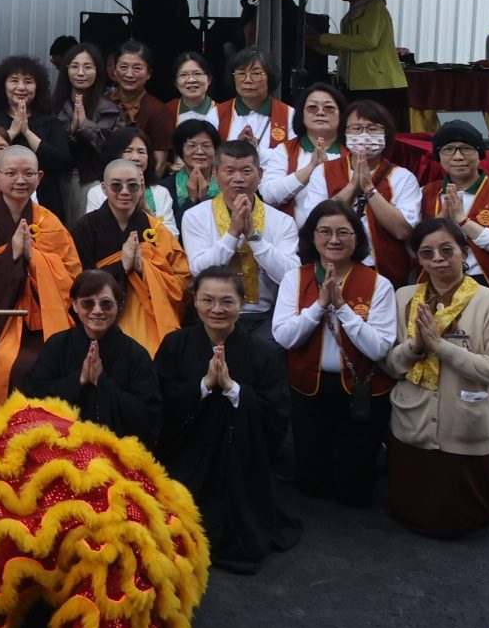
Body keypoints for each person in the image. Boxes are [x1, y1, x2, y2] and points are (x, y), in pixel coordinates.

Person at [155, 266, 302, 574]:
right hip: (187, 454)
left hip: (240, 461)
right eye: (207, 300)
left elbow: (277, 415)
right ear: (195, 301)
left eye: (227, 301)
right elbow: (160, 402)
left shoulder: (263, 354)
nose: (216, 309)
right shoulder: (175, 344)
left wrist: (235, 391)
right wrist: (204, 386)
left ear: (242, 304)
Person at [383, 217, 489, 537]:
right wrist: (415, 347)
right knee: (407, 510)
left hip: (464, 420)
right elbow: (390, 366)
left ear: (464, 252)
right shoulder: (404, 297)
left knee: (459, 521)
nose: (437, 259)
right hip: (412, 419)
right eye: (427, 253)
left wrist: (441, 347)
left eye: (447, 250)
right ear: (418, 259)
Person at [273, 199, 399, 507]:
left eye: (343, 232)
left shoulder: (378, 283)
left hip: (361, 390)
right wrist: (319, 307)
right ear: (312, 236)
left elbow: (379, 347)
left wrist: (342, 308)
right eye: (325, 231)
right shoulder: (295, 278)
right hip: (309, 387)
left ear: (357, 238)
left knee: (354, 492)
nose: (334, 240)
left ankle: (375, 455)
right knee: (312, 485)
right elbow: (284, 337)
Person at [0, 144, 82, 407]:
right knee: (9, 362)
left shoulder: (49, 223)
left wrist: (36, 260)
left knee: (63, 356)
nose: (20, 180)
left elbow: (72, 276)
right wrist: (11, 256)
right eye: (11, 173)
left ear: (39, 177)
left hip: (46, 318)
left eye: (28, 173)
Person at [68, 155, 191, 355]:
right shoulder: (85, 228)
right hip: (99, 315)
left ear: (141, 188)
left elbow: (182, 281)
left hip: (149, 316)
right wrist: (121, 266)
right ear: (104, 188)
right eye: (116, 185)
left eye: (132, 186)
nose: (124, 192)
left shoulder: (155, 230)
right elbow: (77, 281)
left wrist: (144, 269)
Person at [20, 269, 161, 442]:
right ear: (75, 305)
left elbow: (149, 418)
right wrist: (78, 380)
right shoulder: (57, 346)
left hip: (117, 449)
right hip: (60, 445)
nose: (97, 310)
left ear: (117, 306)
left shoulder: (136, 355)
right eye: (88, 303)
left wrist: (102, 382)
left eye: (106, 304)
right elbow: (31, 399)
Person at [179, 137, 299, 339]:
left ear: (260, 174)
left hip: (263, 317)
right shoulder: (195, 216)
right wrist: (232, 234)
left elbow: (291, 276)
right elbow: (199, 270)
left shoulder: (282, 221)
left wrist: (254, 238)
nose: (238, 178)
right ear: (215, 173)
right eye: (229, 171)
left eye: (246, 171)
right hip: (211, 313)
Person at [297, 100, 421, 285]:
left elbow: (403, 231)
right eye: (356, 128)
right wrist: (354, 185)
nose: (364, 135)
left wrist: (369, 189)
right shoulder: (324, 171)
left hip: (385, 274)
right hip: (333, 271)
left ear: (386, 134)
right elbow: (315, 221)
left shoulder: (402, 177)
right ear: (344, 133)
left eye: (373, 128)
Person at [422, 120, 489, 301]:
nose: (458, 157)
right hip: (437, 283)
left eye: (466, 148)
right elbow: (413, 249)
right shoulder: (425, 193)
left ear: (480, 155)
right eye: (448, 149)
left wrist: (462, 220)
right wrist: (442, 221)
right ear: (438, 156)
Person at [311, 0, 408, 122]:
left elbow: (367, 41)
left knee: (368, 127)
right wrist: (315, 44)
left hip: (375, 84)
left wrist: (323, 38)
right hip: (358, 84)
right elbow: (349, 48)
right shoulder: (355, 11)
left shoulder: (374, 7)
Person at [0, 53, 74, 202]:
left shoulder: (49, 120)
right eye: (14, 81)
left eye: (28, 82)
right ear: (3, 85)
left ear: (38, 87)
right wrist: (12, 132)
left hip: (44, 196)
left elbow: (63, 162)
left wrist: (28, 133)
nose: (21, 87)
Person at [263, 83, 348, 212]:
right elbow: (269, 195)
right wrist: (311, 168)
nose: (320, 113)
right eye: (312, 107)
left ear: (341, 114)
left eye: (329, 108)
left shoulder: (352, 152)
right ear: (301, 114)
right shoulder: (285, 150)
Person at [105, 40, 176, 157]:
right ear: (114, 71)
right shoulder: (102, 103)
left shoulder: (158, 110)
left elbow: (160, 160)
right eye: (123, 67)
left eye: (137, 68)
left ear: (148, 74)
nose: (129, 74)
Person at [212, 48, 292, 151]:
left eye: (256, 74)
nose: (248, 80)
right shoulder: (216, 114)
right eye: (241, 74)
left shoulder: (289, 115)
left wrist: (258, 151)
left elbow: (293, 156)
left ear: (270, 77)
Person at [53, 44, 122, 162]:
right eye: (74, 66)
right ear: (66, 70)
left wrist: (85, 126)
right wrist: (71, 131)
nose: (80, 73)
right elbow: (48, 151)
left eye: (87, 67)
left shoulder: (112, 111)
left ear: (97, 70)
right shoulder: (52, 108)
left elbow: (116, 153)